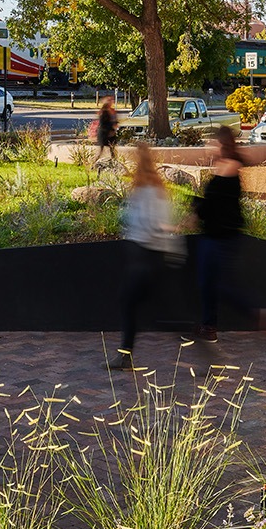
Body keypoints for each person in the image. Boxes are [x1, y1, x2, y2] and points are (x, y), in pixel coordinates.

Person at [192, 125, 266, 343]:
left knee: (222, 285)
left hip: (220, 237)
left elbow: (215, 205)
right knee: (208, 283)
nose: (209, 146)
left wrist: (197, 204)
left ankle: (262, 317)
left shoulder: (228, 169)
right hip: (216, 235)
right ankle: (209, 327)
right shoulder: (225, 167)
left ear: (222, 144)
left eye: (213, 142)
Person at [111, 142, 179, 369]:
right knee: (155, 307)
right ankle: (125, 355)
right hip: (149, 256)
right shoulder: (155, 190)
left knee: (128, 302)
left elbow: (152, 225)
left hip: (145, 256)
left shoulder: (147, 192)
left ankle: (125, 355)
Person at [94, 95, 120, 173]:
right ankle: (94, 164)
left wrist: (115, 125)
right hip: (104, 133)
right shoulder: (103, 112)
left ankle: (114, 164)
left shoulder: (112, 111)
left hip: (111, 133)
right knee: (101, 150)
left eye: (112, 100)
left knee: (112, 150)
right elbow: (103, 123)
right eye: (109, 100)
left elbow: (115, 120)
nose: (111, 101)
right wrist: (110, 129)